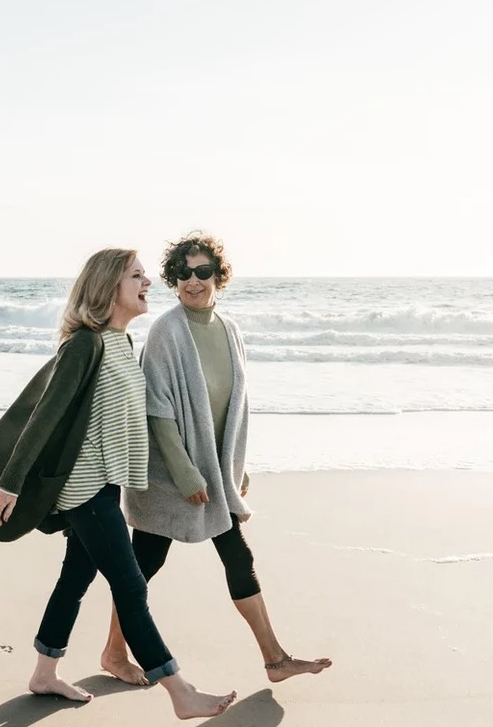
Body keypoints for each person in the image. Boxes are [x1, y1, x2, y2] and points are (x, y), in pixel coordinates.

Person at [0, 248, 236, 720]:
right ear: (110, 285)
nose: (148, 281)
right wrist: (10, 483)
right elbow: (43, 418)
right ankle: (179, 691)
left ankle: (44, 673)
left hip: (108, 488)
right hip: (85, 493)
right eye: (137, 275)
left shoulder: (121, 343)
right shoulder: (85, 345)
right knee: (131, 588)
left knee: (75, 579)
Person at [99, 232, 333, 685]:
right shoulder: (168, 331)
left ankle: (273, 659)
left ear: (218, 277)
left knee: (228, 557)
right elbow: (157, 408)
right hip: (171, 477)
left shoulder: (229, 330)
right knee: (143, 565)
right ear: (173, 278)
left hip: (214, 474)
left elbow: (234, 408)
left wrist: (234, 469)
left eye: (203, 271)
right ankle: (114, 652)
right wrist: (186, 474)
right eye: (183, 272)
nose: (193, 280)